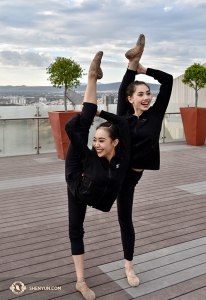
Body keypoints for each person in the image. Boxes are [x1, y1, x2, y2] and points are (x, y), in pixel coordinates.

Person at [65, 51, 131, 300]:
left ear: (115, 143)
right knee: (76, 229)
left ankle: (92, 77)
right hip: (76, 175)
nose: (98, 144)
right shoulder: (89, 153)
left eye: (102, 140)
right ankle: (80, 281)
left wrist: (99, 113)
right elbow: (71, 127)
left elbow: (122, 126)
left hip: (92, 173)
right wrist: (89, 115)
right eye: (96, 141)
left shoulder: (121, 159)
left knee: (85, 122)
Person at [116, 34, 173, 287]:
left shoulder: (155, 115)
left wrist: (142, 69)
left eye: (148, 93)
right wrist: (131, 72)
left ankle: (129, 266)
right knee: (83, 204)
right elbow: (122, 92)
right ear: (131, 99)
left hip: (129, 179)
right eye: (141, 94)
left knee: (125, 220)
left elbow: (169, 80)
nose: (147, 97)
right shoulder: (123, 117)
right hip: (112, 171)